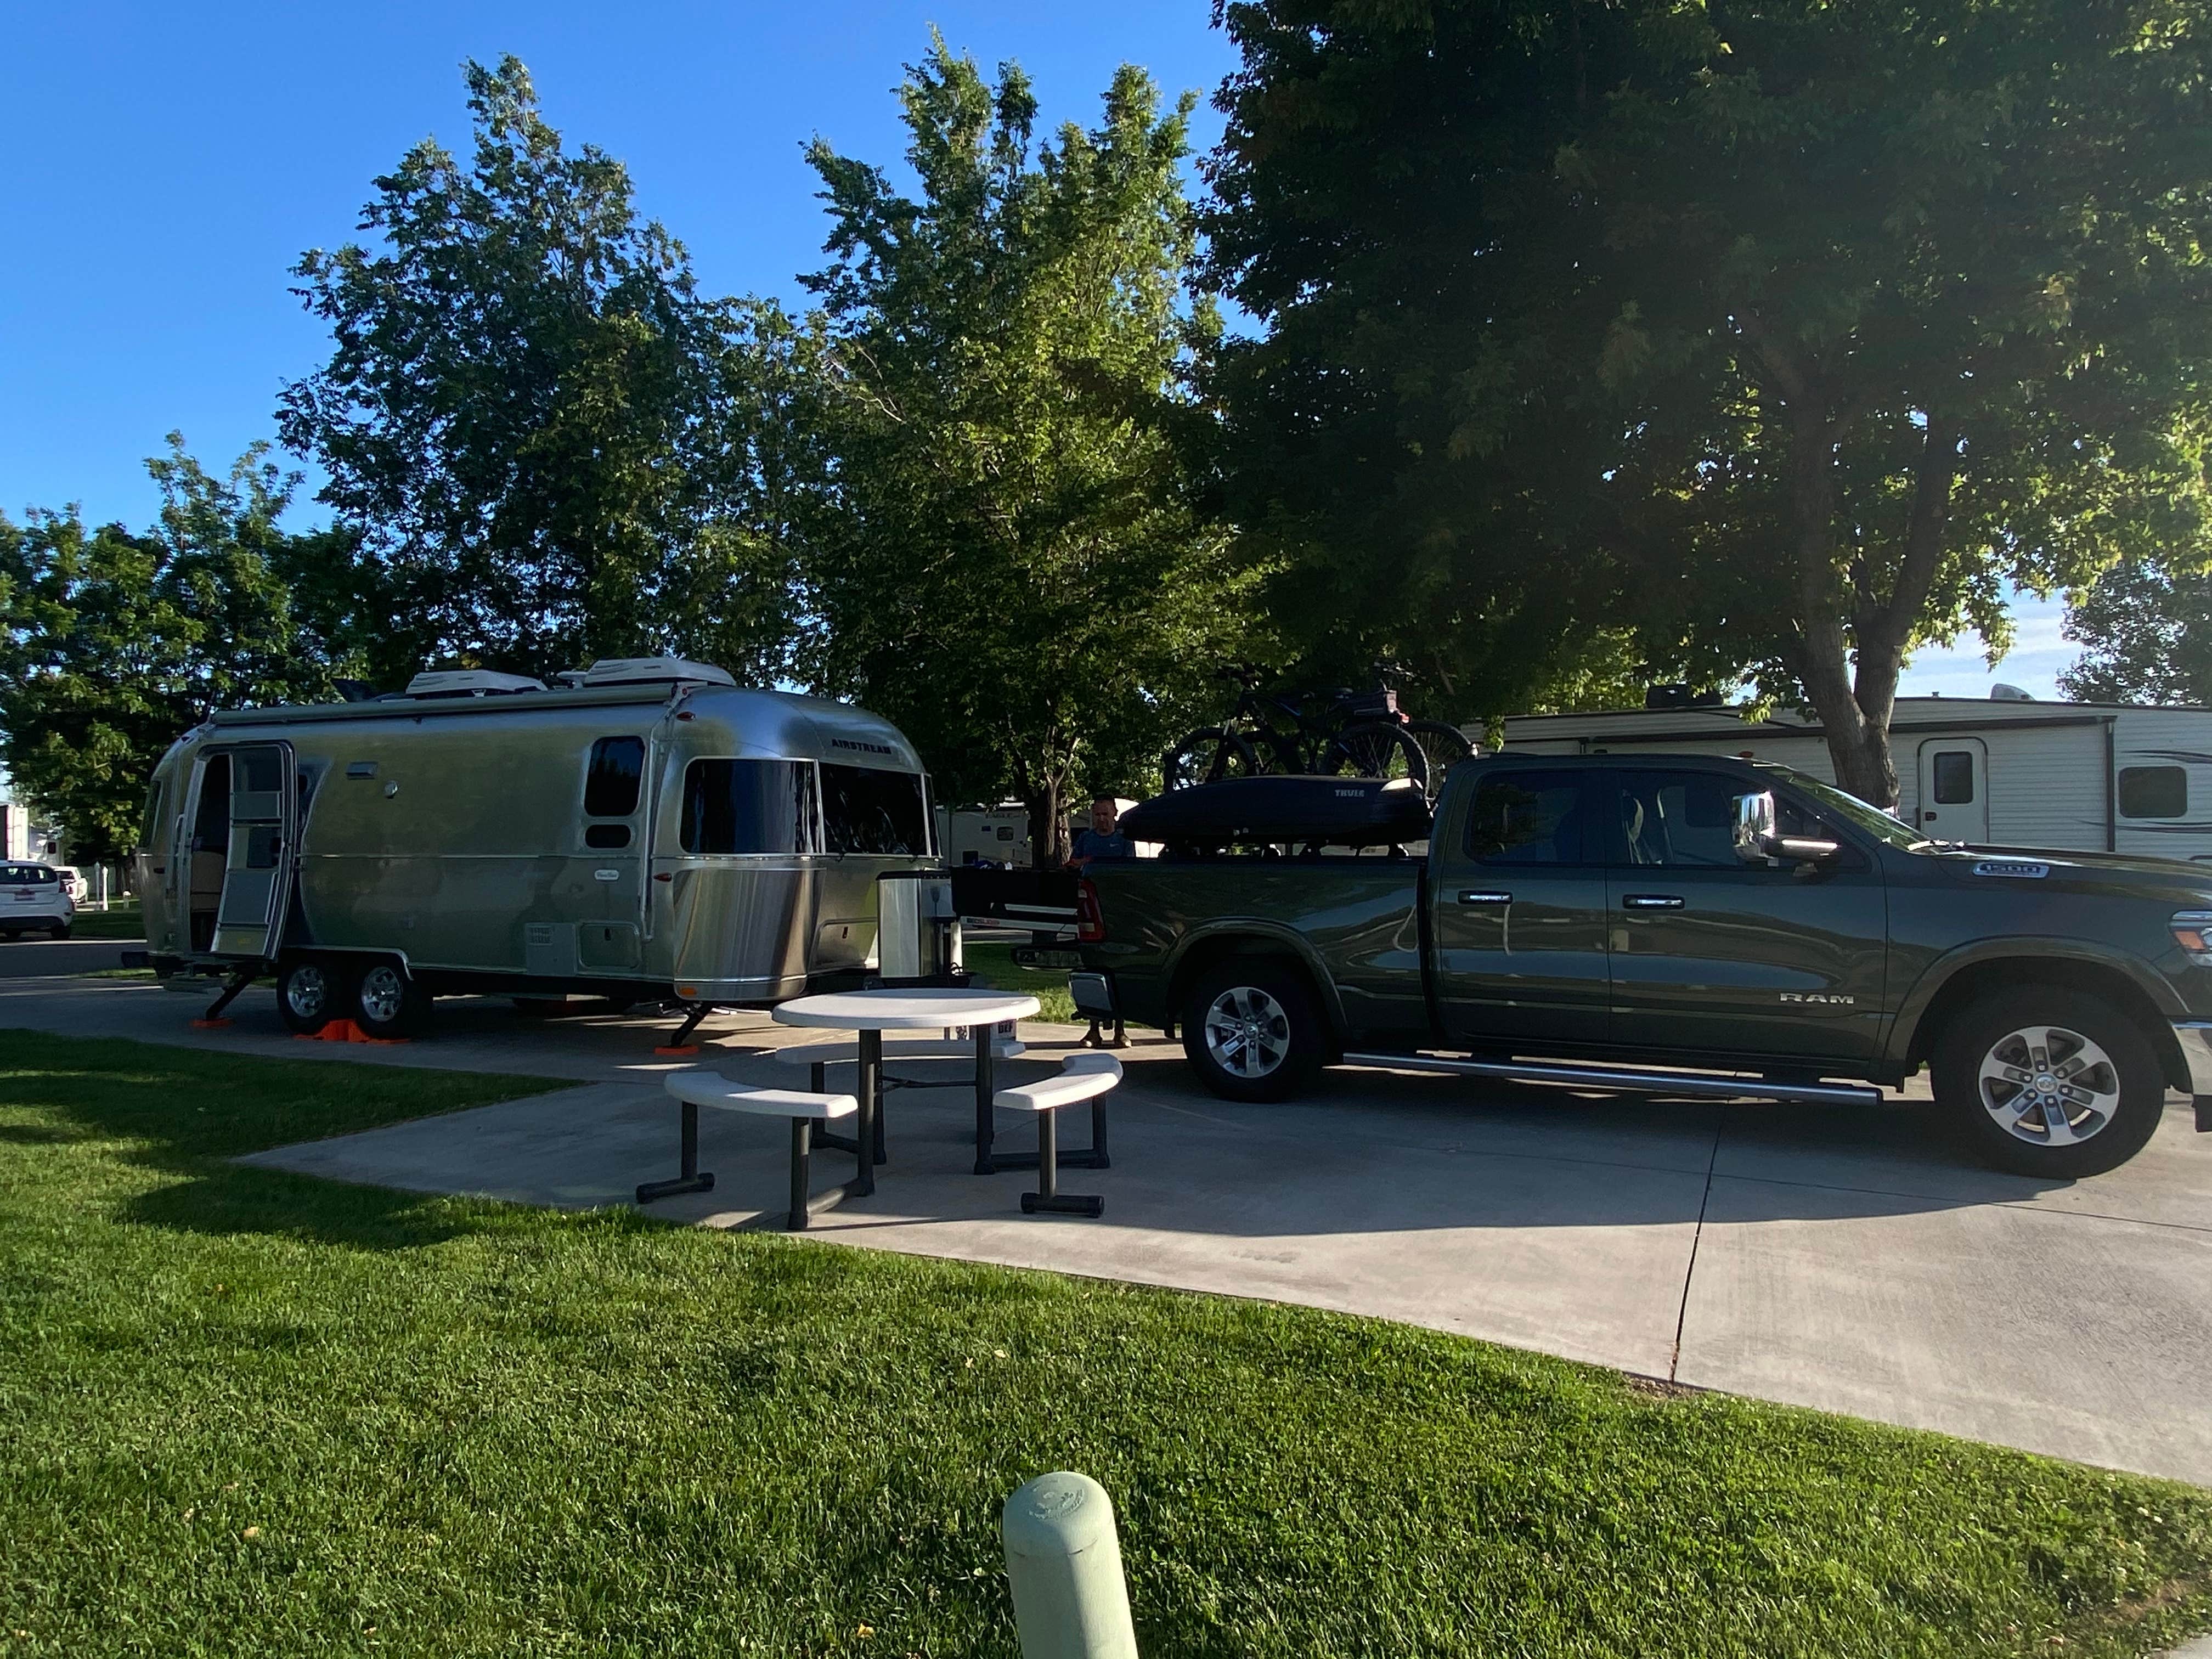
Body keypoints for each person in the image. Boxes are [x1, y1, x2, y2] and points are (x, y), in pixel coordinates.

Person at [1069, 796, 1130, 865]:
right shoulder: (1085, 838)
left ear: (1115, 813)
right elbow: (1073, 863)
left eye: (1105, 814)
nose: (1101, 819)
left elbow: (1129, 867)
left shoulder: (1125, 838)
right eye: (1097, 815)